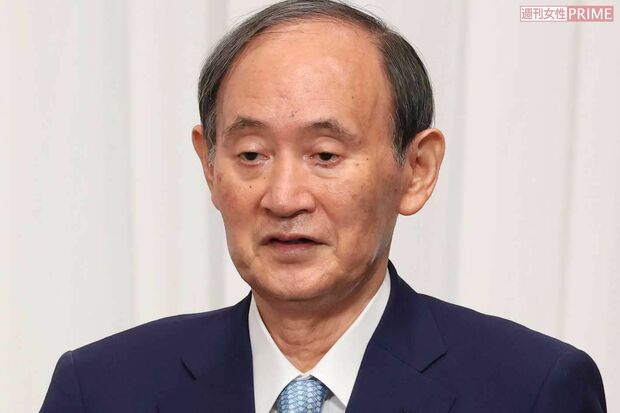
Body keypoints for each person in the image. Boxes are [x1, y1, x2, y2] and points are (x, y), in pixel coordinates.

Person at [40, 1, 606, 412]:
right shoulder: (101, 390)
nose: (284, 197)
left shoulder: (531, 391)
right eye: (252, 154)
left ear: (417, 170)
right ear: (209, 165)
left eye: (326, 155)